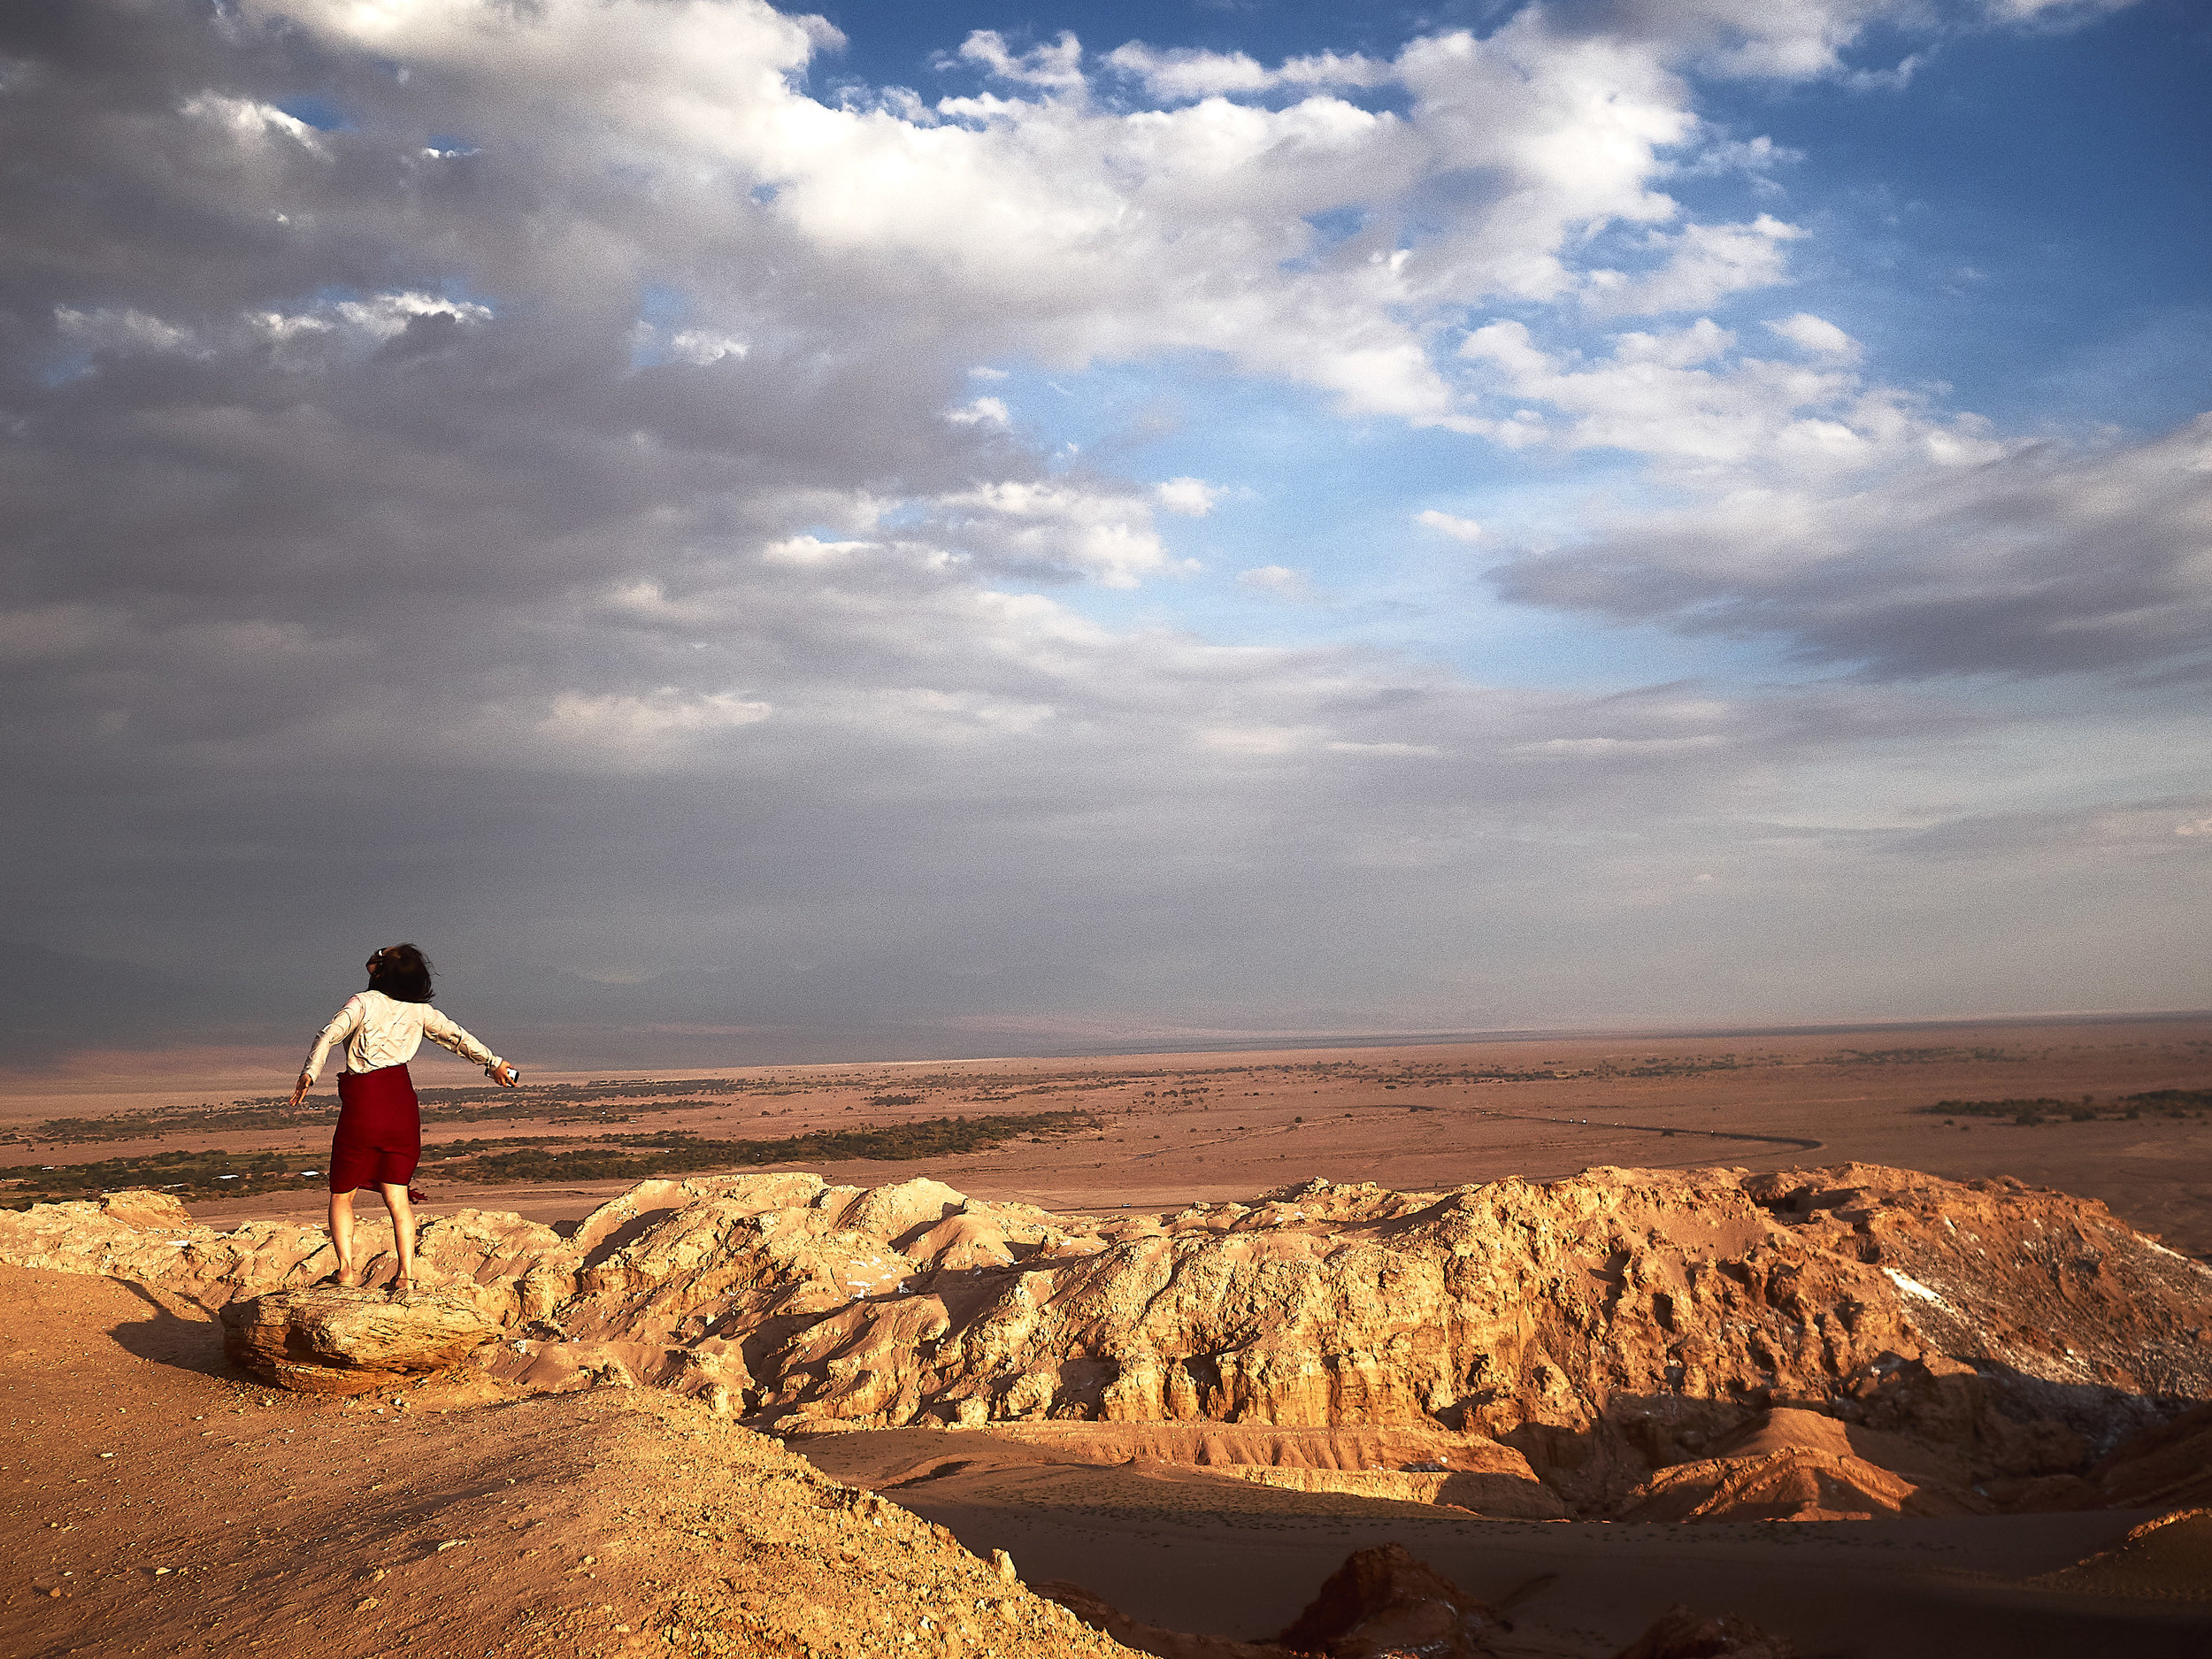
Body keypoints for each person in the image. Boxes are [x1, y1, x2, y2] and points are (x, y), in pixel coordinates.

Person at [288, 943, 518, 1295]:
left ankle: (346, 1271)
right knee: (397, 1196)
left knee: (342, 1193)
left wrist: (310, 1073)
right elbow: (457, 1037)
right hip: (400, 1105)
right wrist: (494, 1063)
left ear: (382, 971)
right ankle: (406, 1275)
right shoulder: (420, 1011)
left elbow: (328, 1035)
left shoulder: (362, 1004)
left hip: (364, 1106)